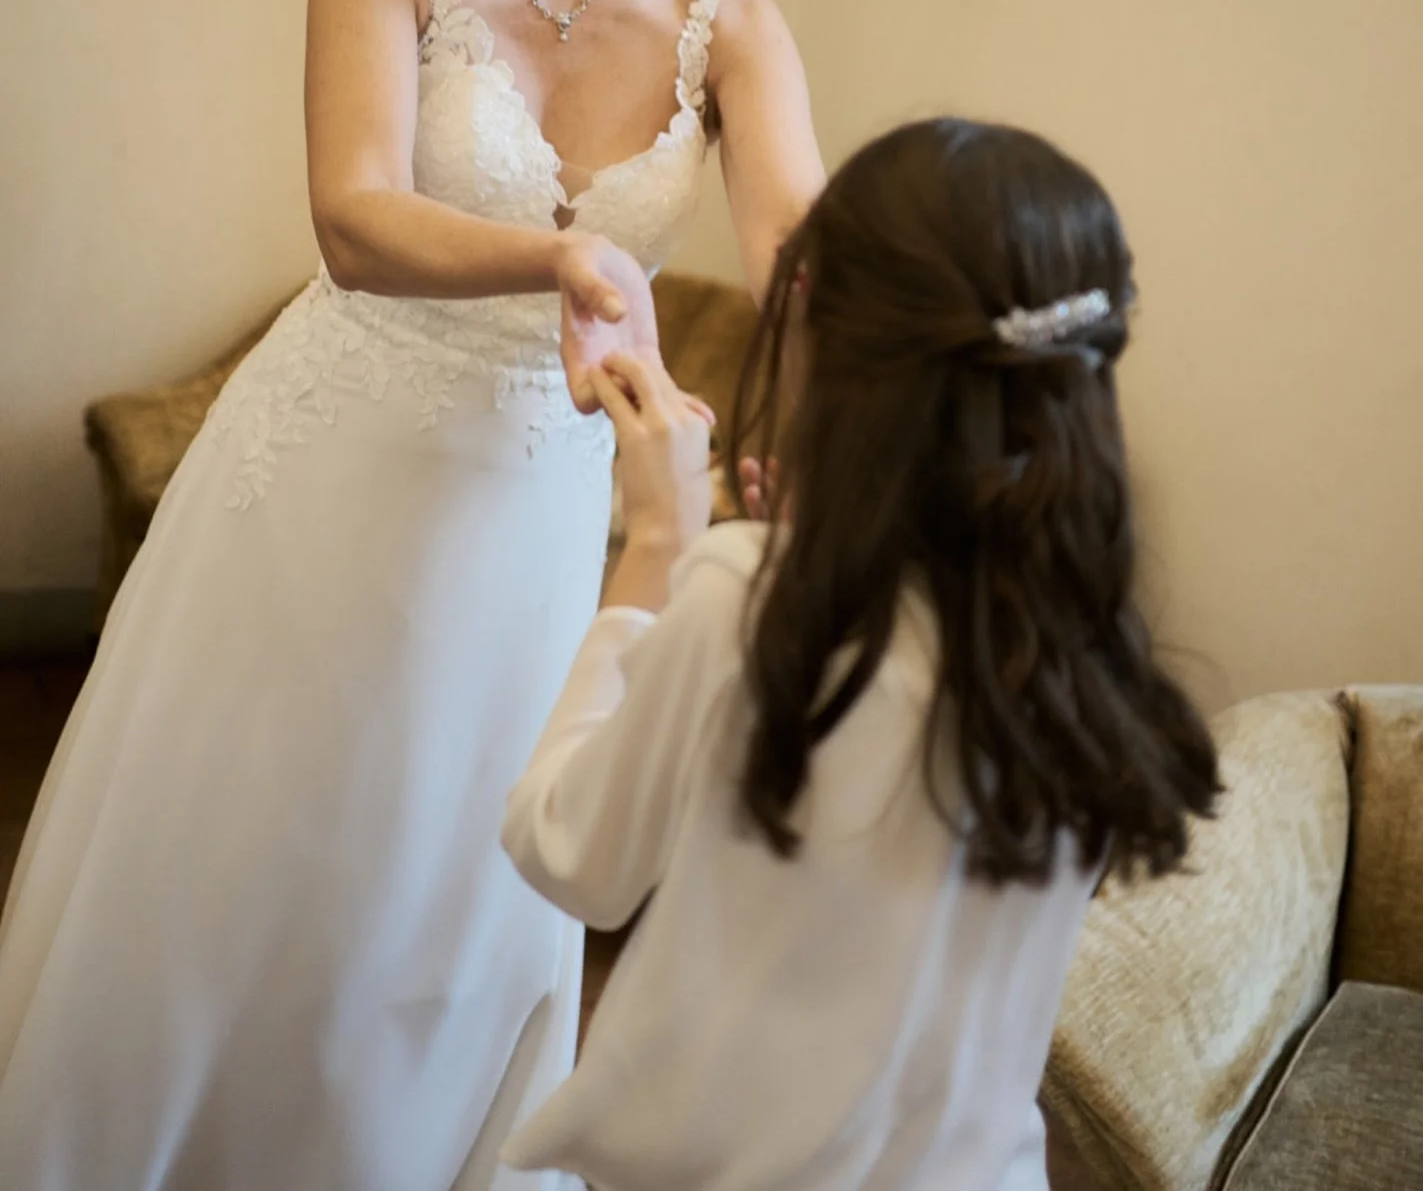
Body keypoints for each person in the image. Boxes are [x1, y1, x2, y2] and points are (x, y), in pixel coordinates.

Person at [0, 0, 824, 1190]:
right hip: (324, 473)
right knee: (252, 852)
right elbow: (355, 216)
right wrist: (572, 265)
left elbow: (802, 254)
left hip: (524, 511)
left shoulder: (734, 26)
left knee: (450, 875)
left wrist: (840, 377)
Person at [501, 116, 1221, 1191]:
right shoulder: (1081, 653)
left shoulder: (743, 604)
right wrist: (815, 548)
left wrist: (662, 539)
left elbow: (569, 852)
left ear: (829, 344)